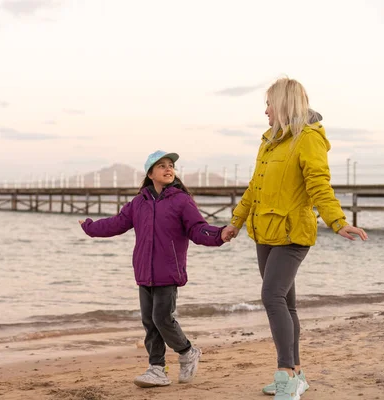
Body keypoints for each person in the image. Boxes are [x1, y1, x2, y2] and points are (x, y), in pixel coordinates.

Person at [222, 78, 368, 400]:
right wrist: (236, 221)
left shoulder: (308, 139)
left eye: (269, 104)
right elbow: (254, 188)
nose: (265, 111)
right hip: (265, 232)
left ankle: (285, 374)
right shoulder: (269, 142)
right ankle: (298, 373)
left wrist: (337, 222)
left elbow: (319, 185)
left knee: (271, 296)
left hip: (292, 234)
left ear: (284, 104)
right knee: (286, 303)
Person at [79, 150, 233, 388]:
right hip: (144, 272)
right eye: (161, 166)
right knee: (150, 322)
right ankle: (157, 369)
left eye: (170, 165)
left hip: (168, 271)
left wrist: (219, 234)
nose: (168, 169)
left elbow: (197, 229)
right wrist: (90, 227)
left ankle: (188, 352)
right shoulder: (138, 203)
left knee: (162, 318)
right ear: (150, 173)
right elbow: (116, 224)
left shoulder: (182, 200)